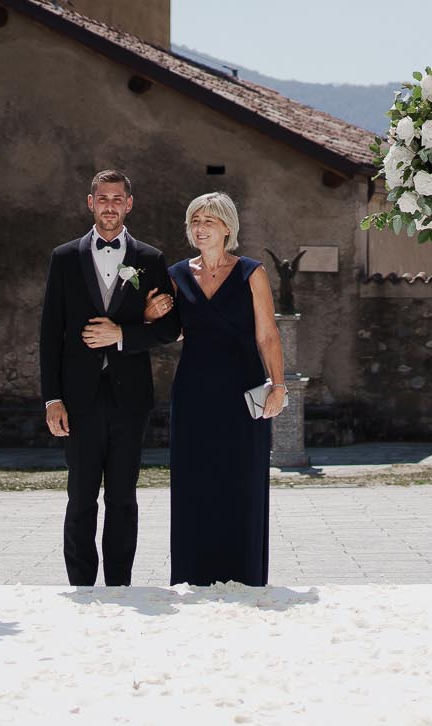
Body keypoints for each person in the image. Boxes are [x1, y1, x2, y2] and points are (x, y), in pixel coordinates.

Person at [39, 170, 181, 587]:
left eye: (117, 199)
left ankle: (120, 585)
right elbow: (50, 333)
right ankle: (81, 585)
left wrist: (123, 334)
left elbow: (170, 329)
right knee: (81, 496)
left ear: (129, 204)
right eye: (102, 198)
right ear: (90, 203)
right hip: (77, 399)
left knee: (122, 497)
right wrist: (52, 399)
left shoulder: (151, 260)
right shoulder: (64, 258)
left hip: (130, 398)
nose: (110, 206)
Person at [150, 192, 286, 587]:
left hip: (243, 389)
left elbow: (268, 335)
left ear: (228, 227)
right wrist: (148, 315)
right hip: (193, 389)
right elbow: (171, 333)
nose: (200, 227)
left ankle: (244, 571)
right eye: (195, 220)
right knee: (194, 478)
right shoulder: (176, 275)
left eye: (209, 220)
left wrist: (277, 385)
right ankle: (194, 571)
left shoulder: (251, 272)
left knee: (241, 477)